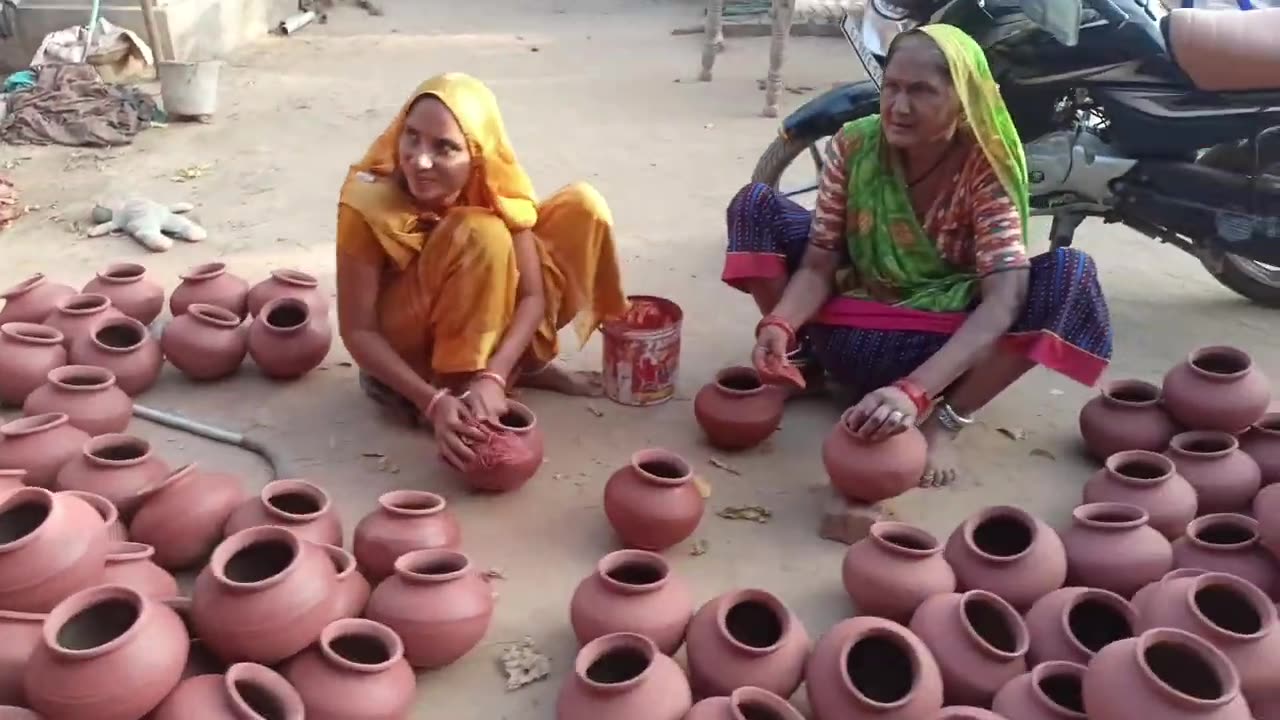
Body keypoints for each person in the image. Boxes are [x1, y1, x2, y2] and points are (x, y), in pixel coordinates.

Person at [723, 25, 1112, 487]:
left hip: (933, 344)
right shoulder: (855, 143)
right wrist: (780, 324)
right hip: (849, 325)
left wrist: (914, 392)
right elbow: (819, 261)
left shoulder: (985, 163)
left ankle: (945, 420)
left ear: (962, 97)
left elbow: (1003, 300)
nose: (899, 107)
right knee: (755, 204)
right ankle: (801, 361)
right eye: (891, 87)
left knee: (1070, 272)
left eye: (922, 91)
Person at [336, 73, 628, 468]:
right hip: (409, 344)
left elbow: (532, 296)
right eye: (411, 136)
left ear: (476, 155)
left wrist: (494, 375)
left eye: (445, 148)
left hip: (477, 309)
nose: (420, 160)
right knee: (479, 234)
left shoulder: (490, 184)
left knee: (582, 207)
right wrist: (432, 401)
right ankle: (451, 395)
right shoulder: (367, 201)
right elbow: (358, 330)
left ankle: (505, 372)